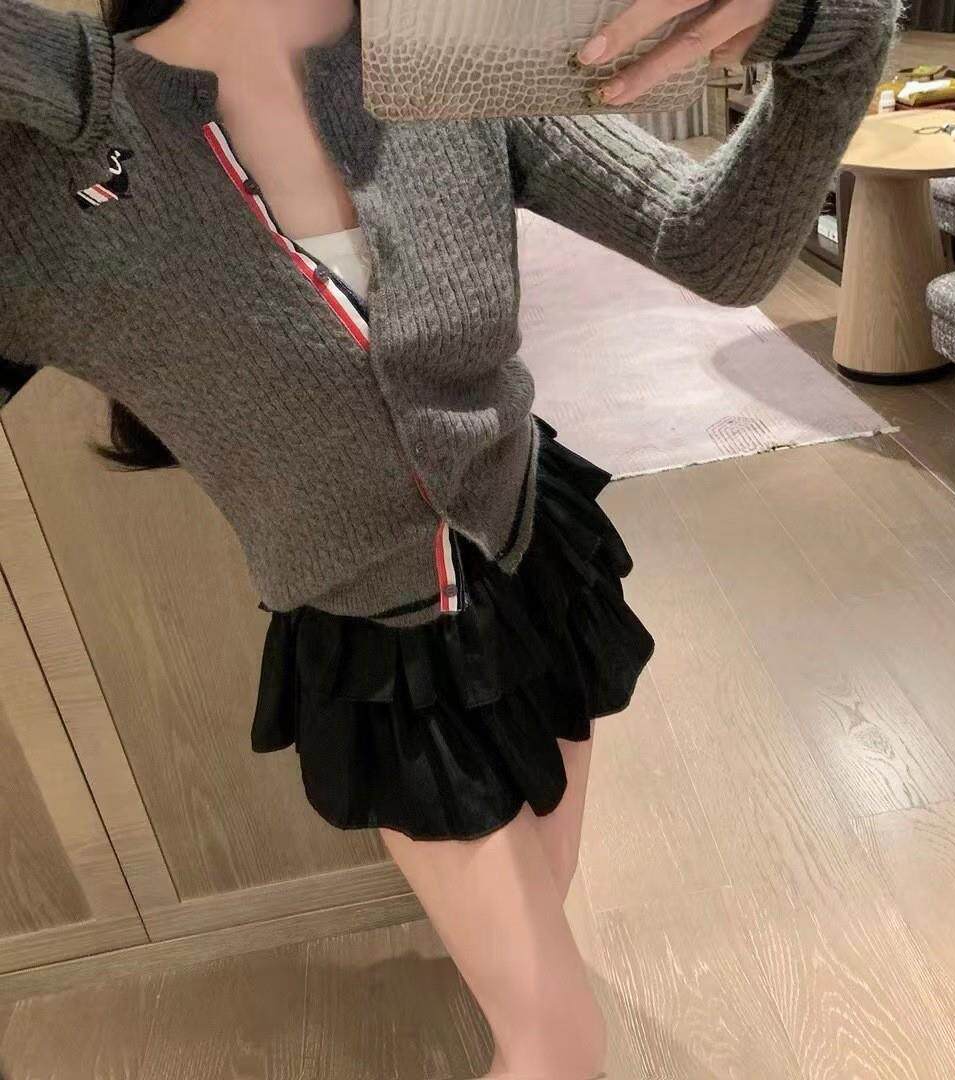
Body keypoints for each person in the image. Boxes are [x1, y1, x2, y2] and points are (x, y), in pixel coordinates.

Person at [0, 0, 897, 1075]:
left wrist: (826, 24)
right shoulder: (52, 161)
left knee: (544, 924)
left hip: (535, 556)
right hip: (389, 661)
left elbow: (716, 245)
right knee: (557, 1042)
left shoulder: (445, 45)